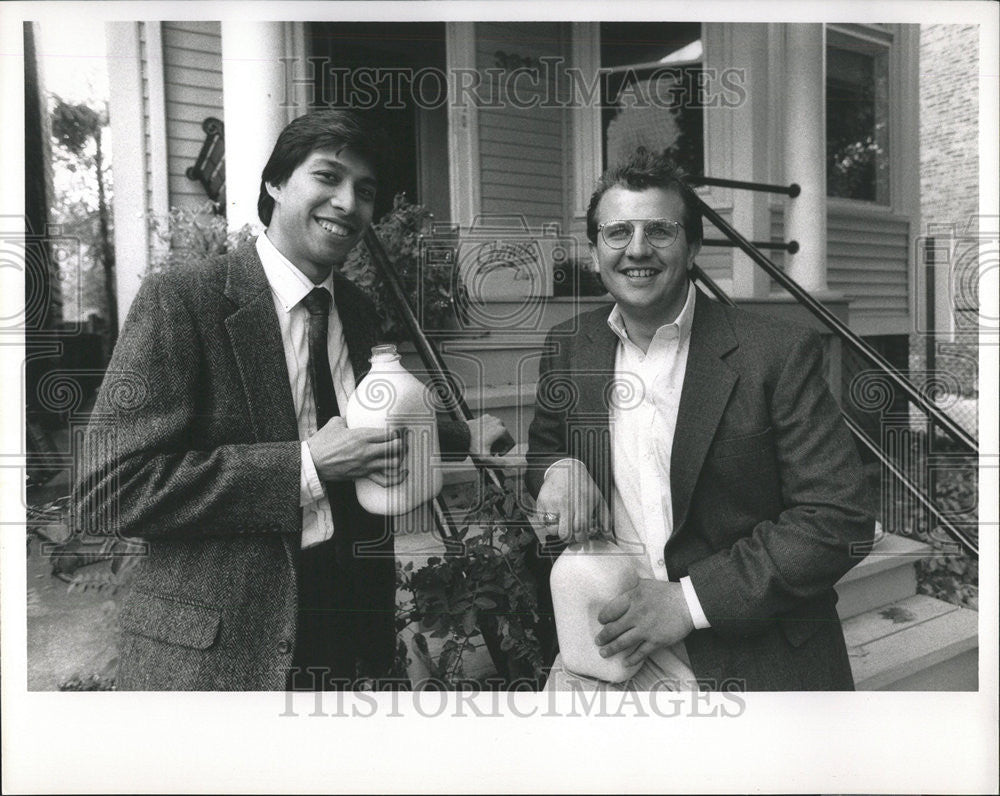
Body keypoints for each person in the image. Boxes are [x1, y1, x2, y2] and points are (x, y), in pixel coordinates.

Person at [74, 109, 507, 690]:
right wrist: (306, 466)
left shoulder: (354, 309)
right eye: (328, 177)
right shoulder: (184, 301)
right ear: (276, 183)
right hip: (223, 647)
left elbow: (365, 414)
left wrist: (462, 434)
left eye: (365, 190)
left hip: (348, 624)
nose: (349, 203)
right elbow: (109, 489)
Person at [526, 148, 875, 691]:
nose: (637, 249)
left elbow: (838, 520)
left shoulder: (775, 354)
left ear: (692, 247)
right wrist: (559, 469)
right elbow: (545, 449)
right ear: (594, 250)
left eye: (660, 231)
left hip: (747, 659)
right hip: (607, 646)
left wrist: (689, 603)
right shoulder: (570, 346)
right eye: (617, 233)